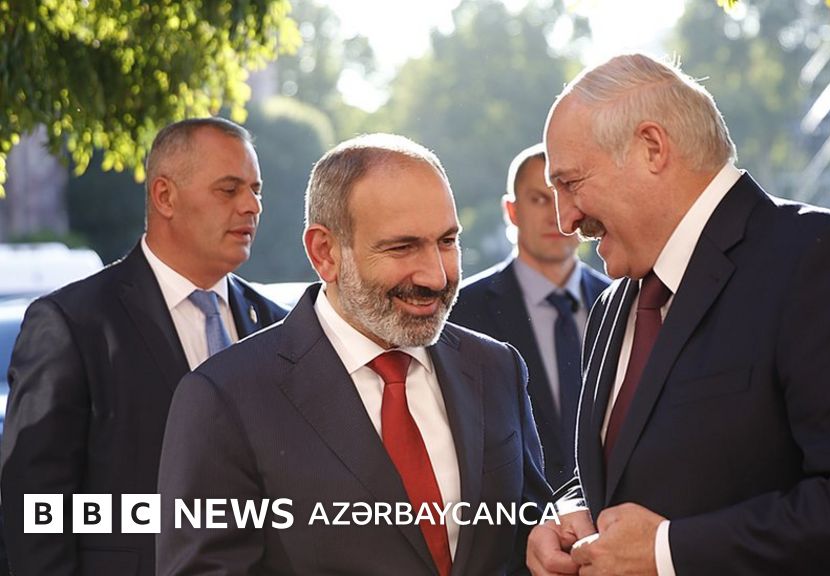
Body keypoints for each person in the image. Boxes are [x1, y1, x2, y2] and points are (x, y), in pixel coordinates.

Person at [526, 53, 830, 575]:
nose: (565, 220)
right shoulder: (614, 307)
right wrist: (573, 514)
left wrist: (668, 552)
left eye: (571, 183)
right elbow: (634, 467)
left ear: (652, 148)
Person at [156, 133, 550, 575]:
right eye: (402, 247)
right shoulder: (225, 399)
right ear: (324, 252)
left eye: (446, 241)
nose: (436, 276)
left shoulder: (496, 368)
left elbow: (531, 540)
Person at [0, 117, 287, 576]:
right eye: (229, 189)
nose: (251, 206)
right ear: (164, 196)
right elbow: (34, 506)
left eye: (256, 190)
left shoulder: (275, 325)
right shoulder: (73, 323)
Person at [450, 143, 609, 488]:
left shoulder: (622, 302)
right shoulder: (460, 311)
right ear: (512, 211)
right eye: (539, 199)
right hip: (512, 513)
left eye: (565, 197)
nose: (555, 215)